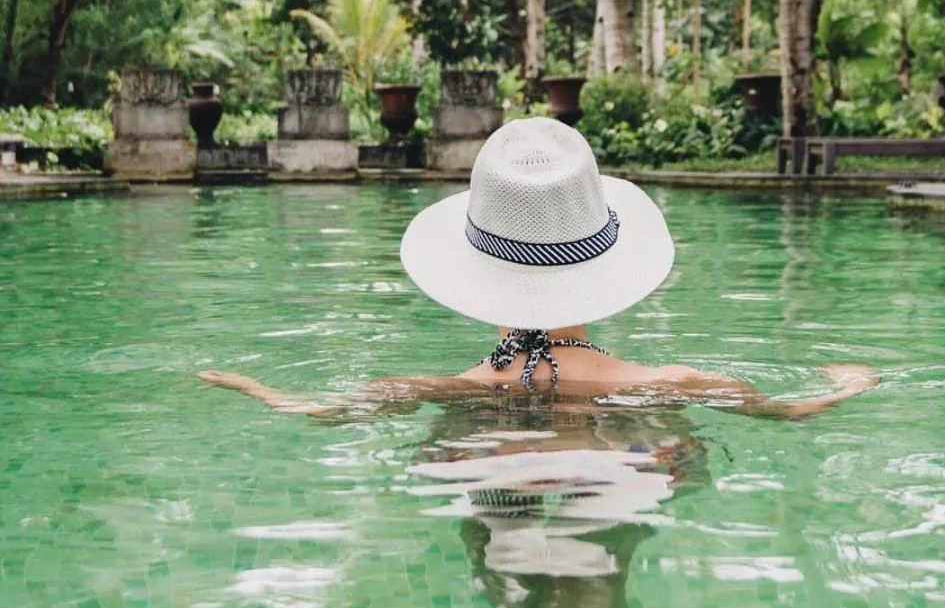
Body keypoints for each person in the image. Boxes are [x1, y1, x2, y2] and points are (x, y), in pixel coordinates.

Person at [199, 117, 878, 418]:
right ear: (607, 267)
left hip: (488, 461)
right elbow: (790, 410)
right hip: (621, 467)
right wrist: (852, 384)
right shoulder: (673, 381)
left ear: (476, 269)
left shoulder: (440, 386)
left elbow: (319, 410)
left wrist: (249, 386)